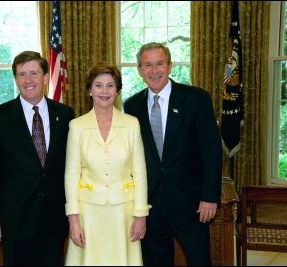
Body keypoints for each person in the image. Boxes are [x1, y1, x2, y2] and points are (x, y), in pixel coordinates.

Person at [123, 42, 222, 266]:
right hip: (150, 204)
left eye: (159, 63)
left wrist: (209, 197)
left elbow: (212, 152)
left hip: (191, 203)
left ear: (169, 66)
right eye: (147, 65)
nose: (154, 70)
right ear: (139, 70)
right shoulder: (132, 106)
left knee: (199, 260)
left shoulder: (196, 99)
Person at [0, 50, 74, 266]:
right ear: (15, 79)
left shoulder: (66, 114)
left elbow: (71, 165)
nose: (28, 80)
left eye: (33, 73)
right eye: (22, 74)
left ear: (46, 77)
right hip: (14, 217)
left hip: (53, 216)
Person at [64, 61, 150, 266]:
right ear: (90, 90)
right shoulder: (76, 127)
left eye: (110, 85)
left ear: (117, 90)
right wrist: (73, 220)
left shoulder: (131, 124)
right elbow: (71, 176)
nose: (105, 91)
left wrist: (141, 215)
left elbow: (139, 173)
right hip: (88, 213)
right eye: (98, 85)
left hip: (124, 213)